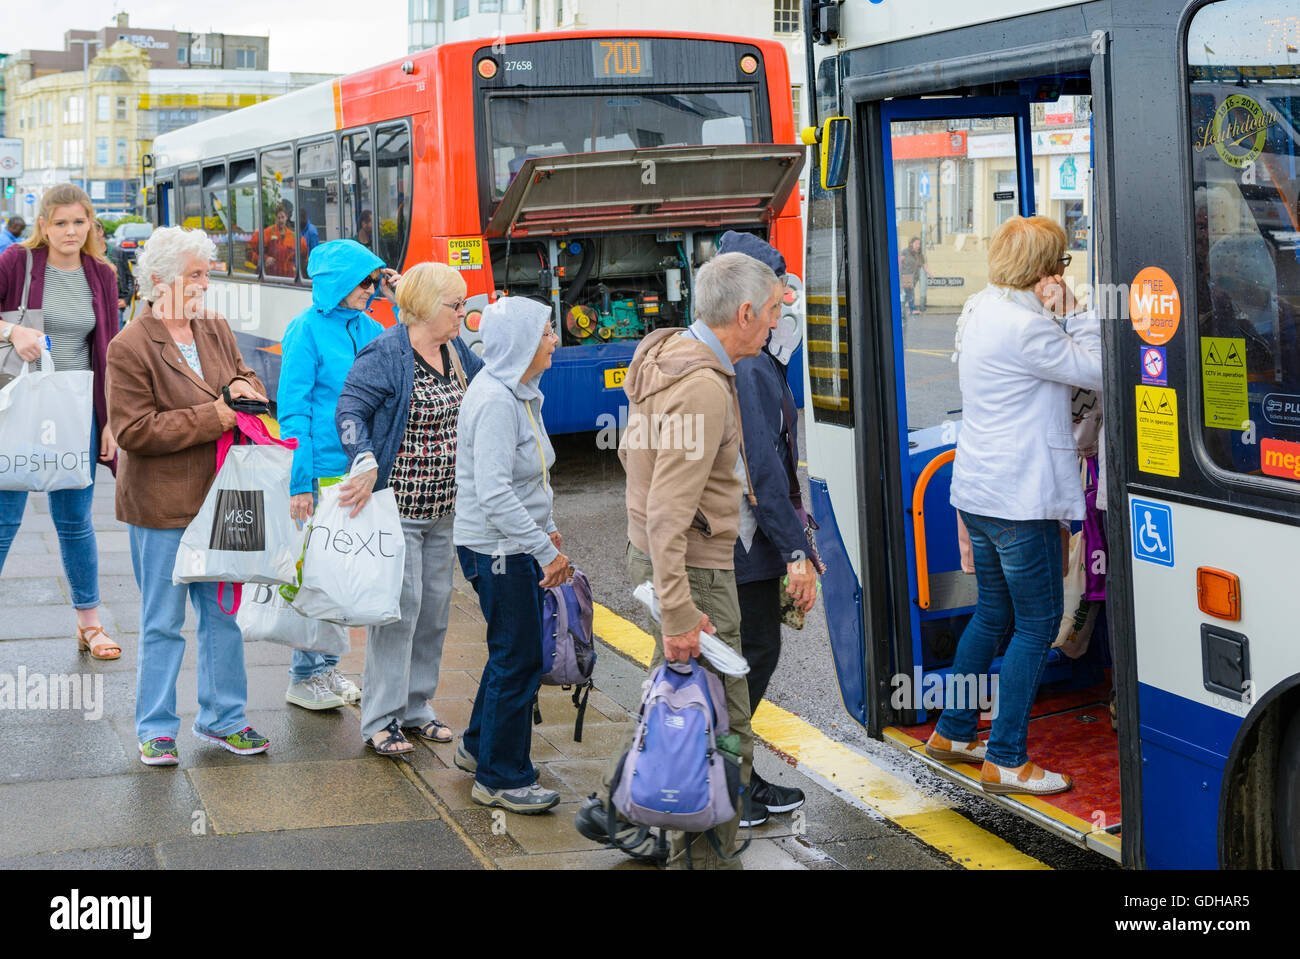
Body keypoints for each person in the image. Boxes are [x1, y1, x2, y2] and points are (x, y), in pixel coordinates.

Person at [580, 251, 783, 869]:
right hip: (691, 567)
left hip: (667, 558)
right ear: (745, 313)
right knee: (724, 726)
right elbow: (671, 510)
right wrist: (678, 610)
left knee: (680, 706)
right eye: (773, 312)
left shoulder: (664, 355)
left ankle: (632, 811)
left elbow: (635, 466)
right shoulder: (702, 388)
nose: (777, 324)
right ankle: (703, 850)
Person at [925, 215, 1101, 796]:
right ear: (1046, 270)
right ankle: (1005, 756)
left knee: (992, 615)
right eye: (1060, 263)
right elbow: (1098, 368)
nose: (1062, 271)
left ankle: (953, 731)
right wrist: (1075, 308)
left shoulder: (980, 306)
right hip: (1018, 501)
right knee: (1037, 624)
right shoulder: (1029, 327)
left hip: (978, 491)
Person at [106, 226, 271, 764]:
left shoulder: (215, 327)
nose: (206, 282)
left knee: (223, 616)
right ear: (159, 281)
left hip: (224, 499)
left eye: (205, 273)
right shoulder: (129, 345)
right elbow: (134, 432)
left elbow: (246, 378)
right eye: (195, 275)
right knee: (162, 621)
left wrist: (248, 390)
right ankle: (155, 727)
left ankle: (225, 719)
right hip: (161, 505)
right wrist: (218, 414)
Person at [335, 263, 483, 755]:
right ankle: (381, 717)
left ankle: (417, 708)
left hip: (446, 507)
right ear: (422, 308)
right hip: (397, 508)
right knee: (399, 613)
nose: (464, 313)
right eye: (455, 305)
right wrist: (363, 457)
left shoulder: (456, 349)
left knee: (435, 612)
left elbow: (484, 396)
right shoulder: (387, 353)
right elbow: (350, 410)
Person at [717, 232, 819, 828]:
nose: (787, 298)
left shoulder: (752, 356)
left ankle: (737, 778)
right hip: (744, 542)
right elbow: (763, 469)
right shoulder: (751, 366)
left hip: (738, 537)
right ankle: (732, 784)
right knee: (750, 657)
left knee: (744, 659)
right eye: (779, 287)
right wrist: (795, 550)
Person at [453, 296, 569, 814]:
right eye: (547, 332)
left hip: (509, 543)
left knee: (509, 650)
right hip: (497, 550)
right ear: (522, 341)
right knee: (519, 658)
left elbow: (530, 478)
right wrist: (543, 550)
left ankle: (480, 746)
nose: (554, 340)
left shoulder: (519, 392)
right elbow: (496, 493)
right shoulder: (498, 401)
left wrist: (546, 528)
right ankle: (500, 777)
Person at [0, 185, 121, 661]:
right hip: (17, 404)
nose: (70, 232)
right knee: (5, 519)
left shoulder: (102, 274)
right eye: (60, 223)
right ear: (44, 225)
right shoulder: (17, 263)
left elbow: (109, 349)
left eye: (79, 222)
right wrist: (14, 330)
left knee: (75, 522)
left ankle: (90, 625)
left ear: (91, 223)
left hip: (75, 412)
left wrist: (109, 421)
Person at [278, 238, 395, 710]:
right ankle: (304, 676)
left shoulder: (371, 325)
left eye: (374, 280)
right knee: (321, 576)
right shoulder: (304, 331)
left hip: (361, 469)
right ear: (340, 283)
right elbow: (294, 410)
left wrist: (397, 292)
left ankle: (323, 671)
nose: (371, 288)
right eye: (364, 281)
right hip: (325, 470)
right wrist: (300, 481)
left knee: (343, 575)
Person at [251, 200, 307, 278]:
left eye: (282, 217)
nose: (280, 220)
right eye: (278, 217)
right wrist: (264, 259)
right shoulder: (267, 233)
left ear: (287, 217)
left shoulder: (294, 237)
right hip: (270, 278)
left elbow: (304, 256)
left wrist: (298, 270)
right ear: (275, 218)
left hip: (289, 279)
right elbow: (250, 250)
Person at [900, 236, 926, 316]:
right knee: (910, 292)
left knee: (907, 294)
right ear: (911, 244)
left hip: (914, 278)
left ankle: (901, 309)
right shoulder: (905, 251)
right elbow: (899, 261)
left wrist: (931, 273)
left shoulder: (919, 255)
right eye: (916, 243)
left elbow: (924, 265)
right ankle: (912, 309)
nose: (918, 245)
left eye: (919, 244)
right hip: (906, 275)